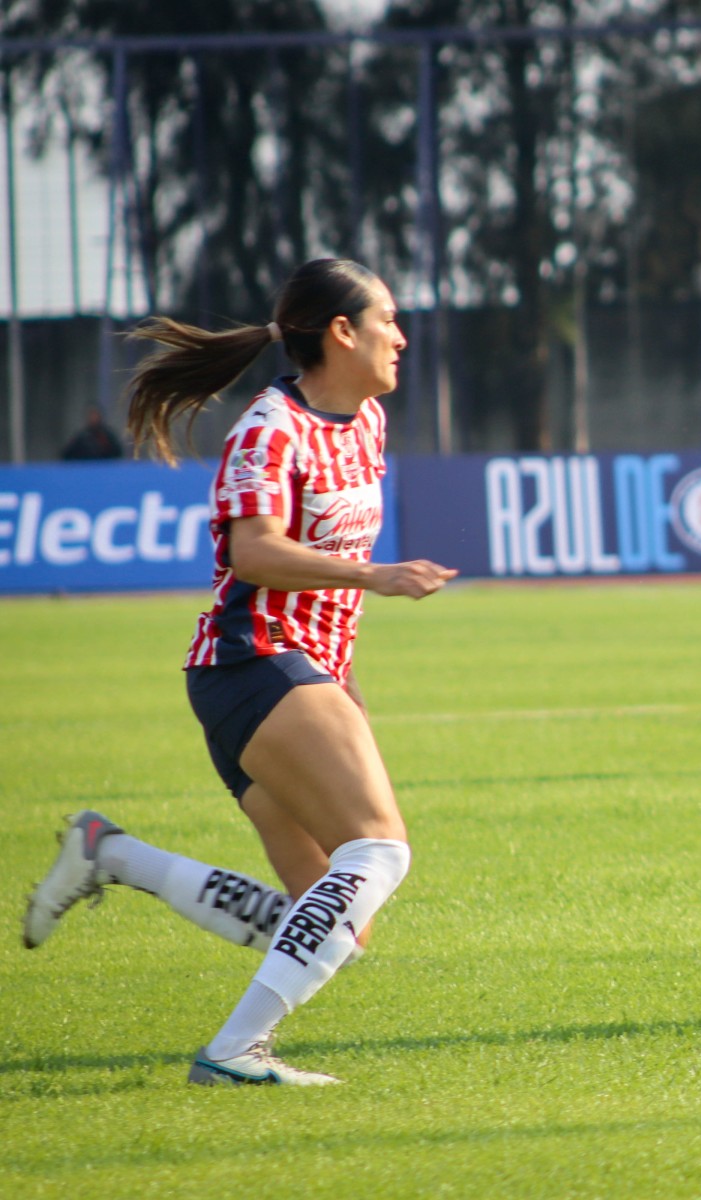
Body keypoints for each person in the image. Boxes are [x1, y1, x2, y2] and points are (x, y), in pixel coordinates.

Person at [21, 258, 456, 1086]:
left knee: (337, 928)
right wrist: (376, 576)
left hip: (294, 674)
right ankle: (233, 1052)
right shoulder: (270, 429)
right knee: (380, 852)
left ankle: (112, 855)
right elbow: (254, 553)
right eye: (388, 320)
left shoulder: (366, 422)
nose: (401, 337)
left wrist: (346, 683)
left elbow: (331, 577)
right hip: (254, 664)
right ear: (342, 332)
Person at [60, 406, 125, 460]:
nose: (93, 418)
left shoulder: (108, 436)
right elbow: (67, 455)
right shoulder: (81, 438)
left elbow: (118, 453)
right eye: (91, 415)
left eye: (95, 415)